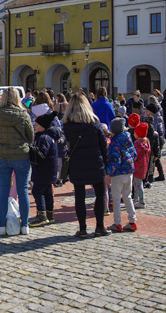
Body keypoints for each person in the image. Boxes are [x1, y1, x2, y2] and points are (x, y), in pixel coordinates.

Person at [63, 93, 109, 238]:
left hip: (77, 163)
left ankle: (82, 229)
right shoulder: (94, 122)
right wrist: (106, 163)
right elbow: (103, 144)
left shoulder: (67, 124)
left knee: (80, 196)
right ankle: (99, 226)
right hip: (95, 161)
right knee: (100, 195)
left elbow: (68, 144)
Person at [0, 87, 33, 236]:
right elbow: (31, 136)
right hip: (21, 155)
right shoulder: (23, 114)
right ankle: (25, 226)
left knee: (3, 191)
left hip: (3, 155)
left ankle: (2, 226)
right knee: (23, 191)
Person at [106, 117, 138, 233]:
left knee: (116, 198)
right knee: (127, 196)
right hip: (129, 171)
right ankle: (132, 221)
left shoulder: (114, 143)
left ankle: (117, 223)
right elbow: (134, 155)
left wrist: (107, 171)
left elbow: (115, 161)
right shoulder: (128, 138)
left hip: (118, 174)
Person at [29, 113, 59, 227]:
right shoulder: (50, 136)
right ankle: (50, 214)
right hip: (50, 169)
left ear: (43, 126)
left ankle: (42, 215)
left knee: (37, 191)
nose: (35, 127)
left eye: (37, 125)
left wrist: (31, 151)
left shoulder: (44, 137)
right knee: (47, 192)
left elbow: (41, 155)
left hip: (43, 170)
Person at [132, 122, 150, 208]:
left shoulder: (137, 143)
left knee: (138, 184)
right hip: (144, 165)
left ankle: (141, 201)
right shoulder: (146, 142)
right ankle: (136, 199)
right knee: (137, 183)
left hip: (137, 166)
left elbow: (134, 155)